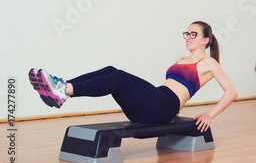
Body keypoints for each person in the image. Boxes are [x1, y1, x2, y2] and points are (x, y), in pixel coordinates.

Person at [28, 21, 237, 132]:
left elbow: (231, 92)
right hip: (151, 106)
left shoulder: (209, 63)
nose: (189, 37)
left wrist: (209, 115)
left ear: (205, 40)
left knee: (119, 76)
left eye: (194, 34)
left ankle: (63, 90)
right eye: (187, 33)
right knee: (111, 70)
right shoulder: (181, 58)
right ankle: (63, 89)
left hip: (164, 105)